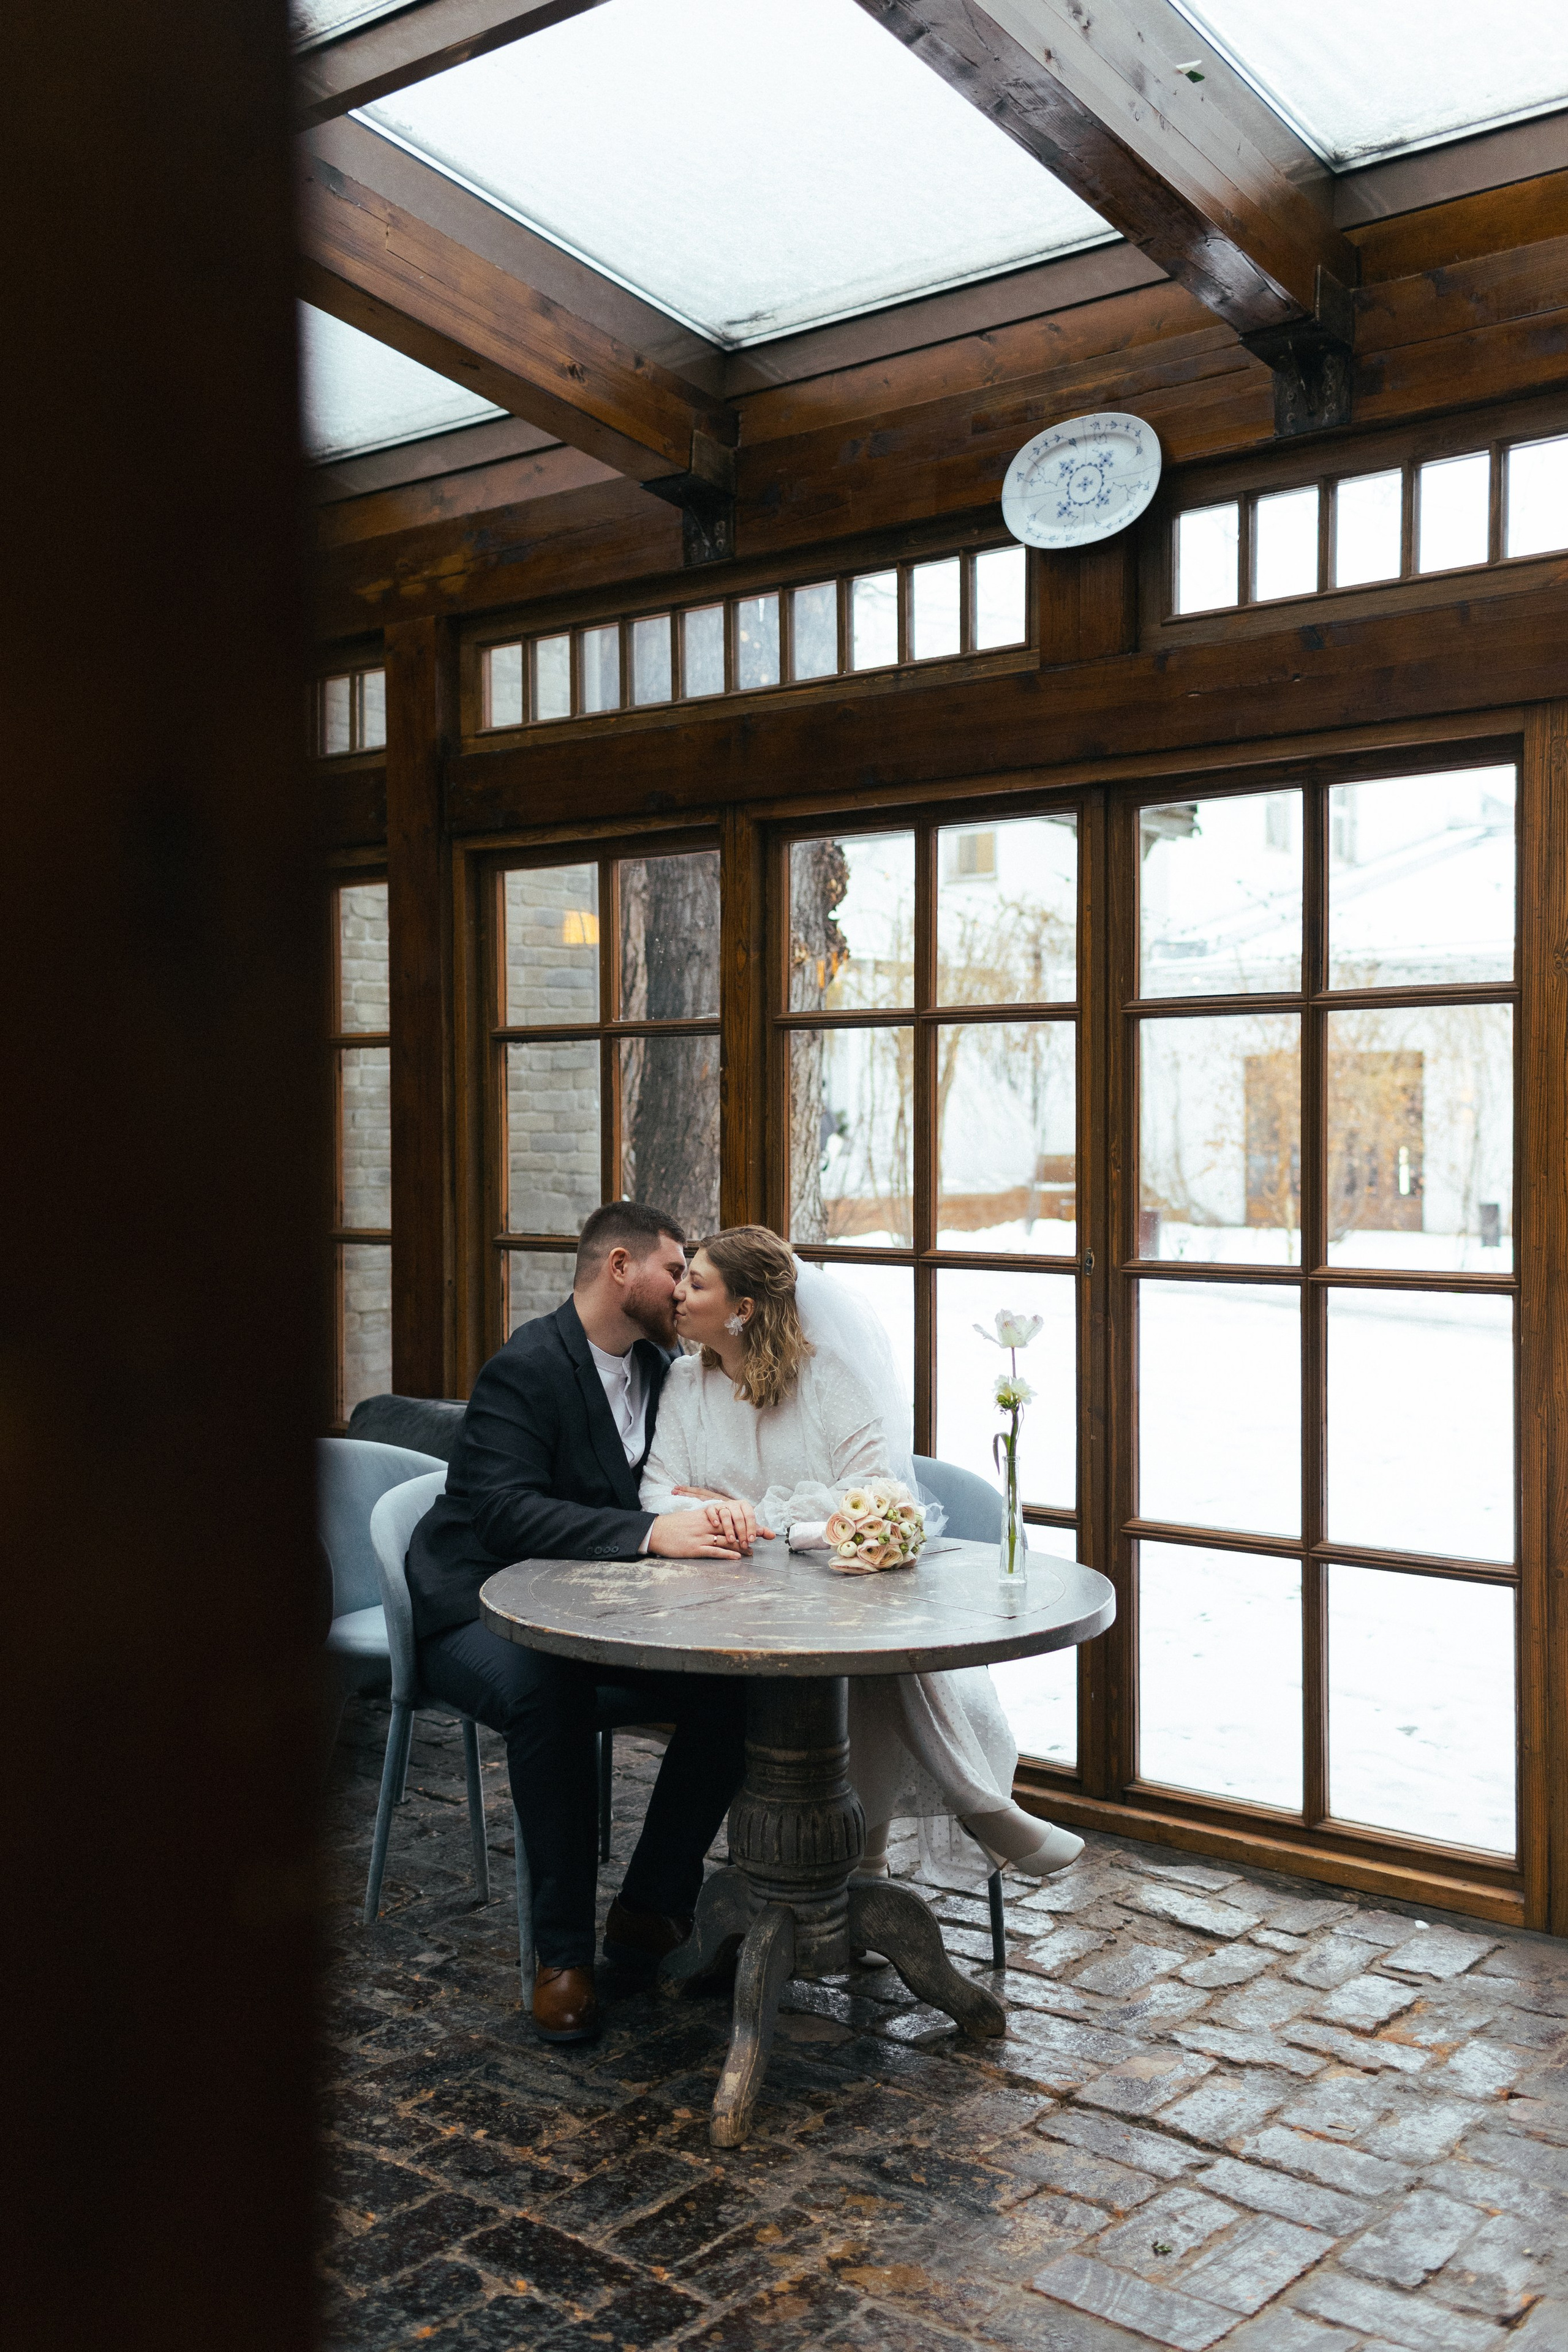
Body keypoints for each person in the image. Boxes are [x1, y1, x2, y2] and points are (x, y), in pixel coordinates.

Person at [639, 1226, 1084, 1883]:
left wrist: (736, 1512)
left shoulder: (827, 1377)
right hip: (725, 1604)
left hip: (834, 1590)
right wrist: (771, 1520)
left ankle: (872, 1870)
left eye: (696, 1283)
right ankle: (967, 1814)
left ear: (743, 1310)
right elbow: (654, 1492)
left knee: (870, 1658)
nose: (676, 1293)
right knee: (876, 1661)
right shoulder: (683, 1382)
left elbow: (872, 1491)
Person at [405, 1200, 750, 2046]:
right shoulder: (525, 1367)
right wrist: (648, 1532)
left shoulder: (660, 1369)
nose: (684, 1290)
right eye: (676, 1270)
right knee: (547, 1688)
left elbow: (640, 1481)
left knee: (736, 1686)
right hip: (474, 1607)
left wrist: (686, 1502)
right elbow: (502, 1514)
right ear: (620, 1267)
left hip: (592, 1609)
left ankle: (648, 1908)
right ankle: (561, 1959)